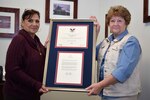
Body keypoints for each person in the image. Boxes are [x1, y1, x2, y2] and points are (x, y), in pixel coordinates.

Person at [86, 5, 142, 100]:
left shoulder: (131, 42)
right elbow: (89, 56)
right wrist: (94, 32)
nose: (115, 23)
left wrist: (99, 85)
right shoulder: (105, 41)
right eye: (112, 21)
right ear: (108, 24)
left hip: (122, 95)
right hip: (105, 94)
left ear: (126, 23)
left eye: (119, 20)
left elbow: (122, 72)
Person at [3, 9, 49, 100]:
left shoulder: (36, 40)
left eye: (37, 21)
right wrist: (36, 84)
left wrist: (47, 49)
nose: (34, 24)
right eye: (30, 20)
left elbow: (38, 59)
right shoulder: (19, 40)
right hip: (18, 94)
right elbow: (12, 70)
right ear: (22, 23)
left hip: (32, 93)